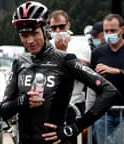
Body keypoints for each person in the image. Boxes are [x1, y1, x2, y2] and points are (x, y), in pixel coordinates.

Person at [0, 1, 120, 144]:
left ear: (46, 29)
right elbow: (4, 110)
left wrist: (75, 127)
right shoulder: (19, 62)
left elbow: (109, 91)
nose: (30, 40)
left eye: (34, 33)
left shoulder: (65, 60)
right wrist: (22, 101)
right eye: (24, 36)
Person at [49, 10, 91, 144]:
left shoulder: (81, 45)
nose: (57, 30)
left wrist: (63, 52)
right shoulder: (45, 45)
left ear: (68, 25)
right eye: (53, 27)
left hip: (73, 105)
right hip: (49, 105)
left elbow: (82, 72)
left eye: (61, 26)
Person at [90, 13, 124, 144]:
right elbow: (91, 83)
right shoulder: (98, 52)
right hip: (104, 113)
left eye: (113, 30)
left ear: (122, 29)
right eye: (106, 31)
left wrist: (117, 71)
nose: (109, 34)